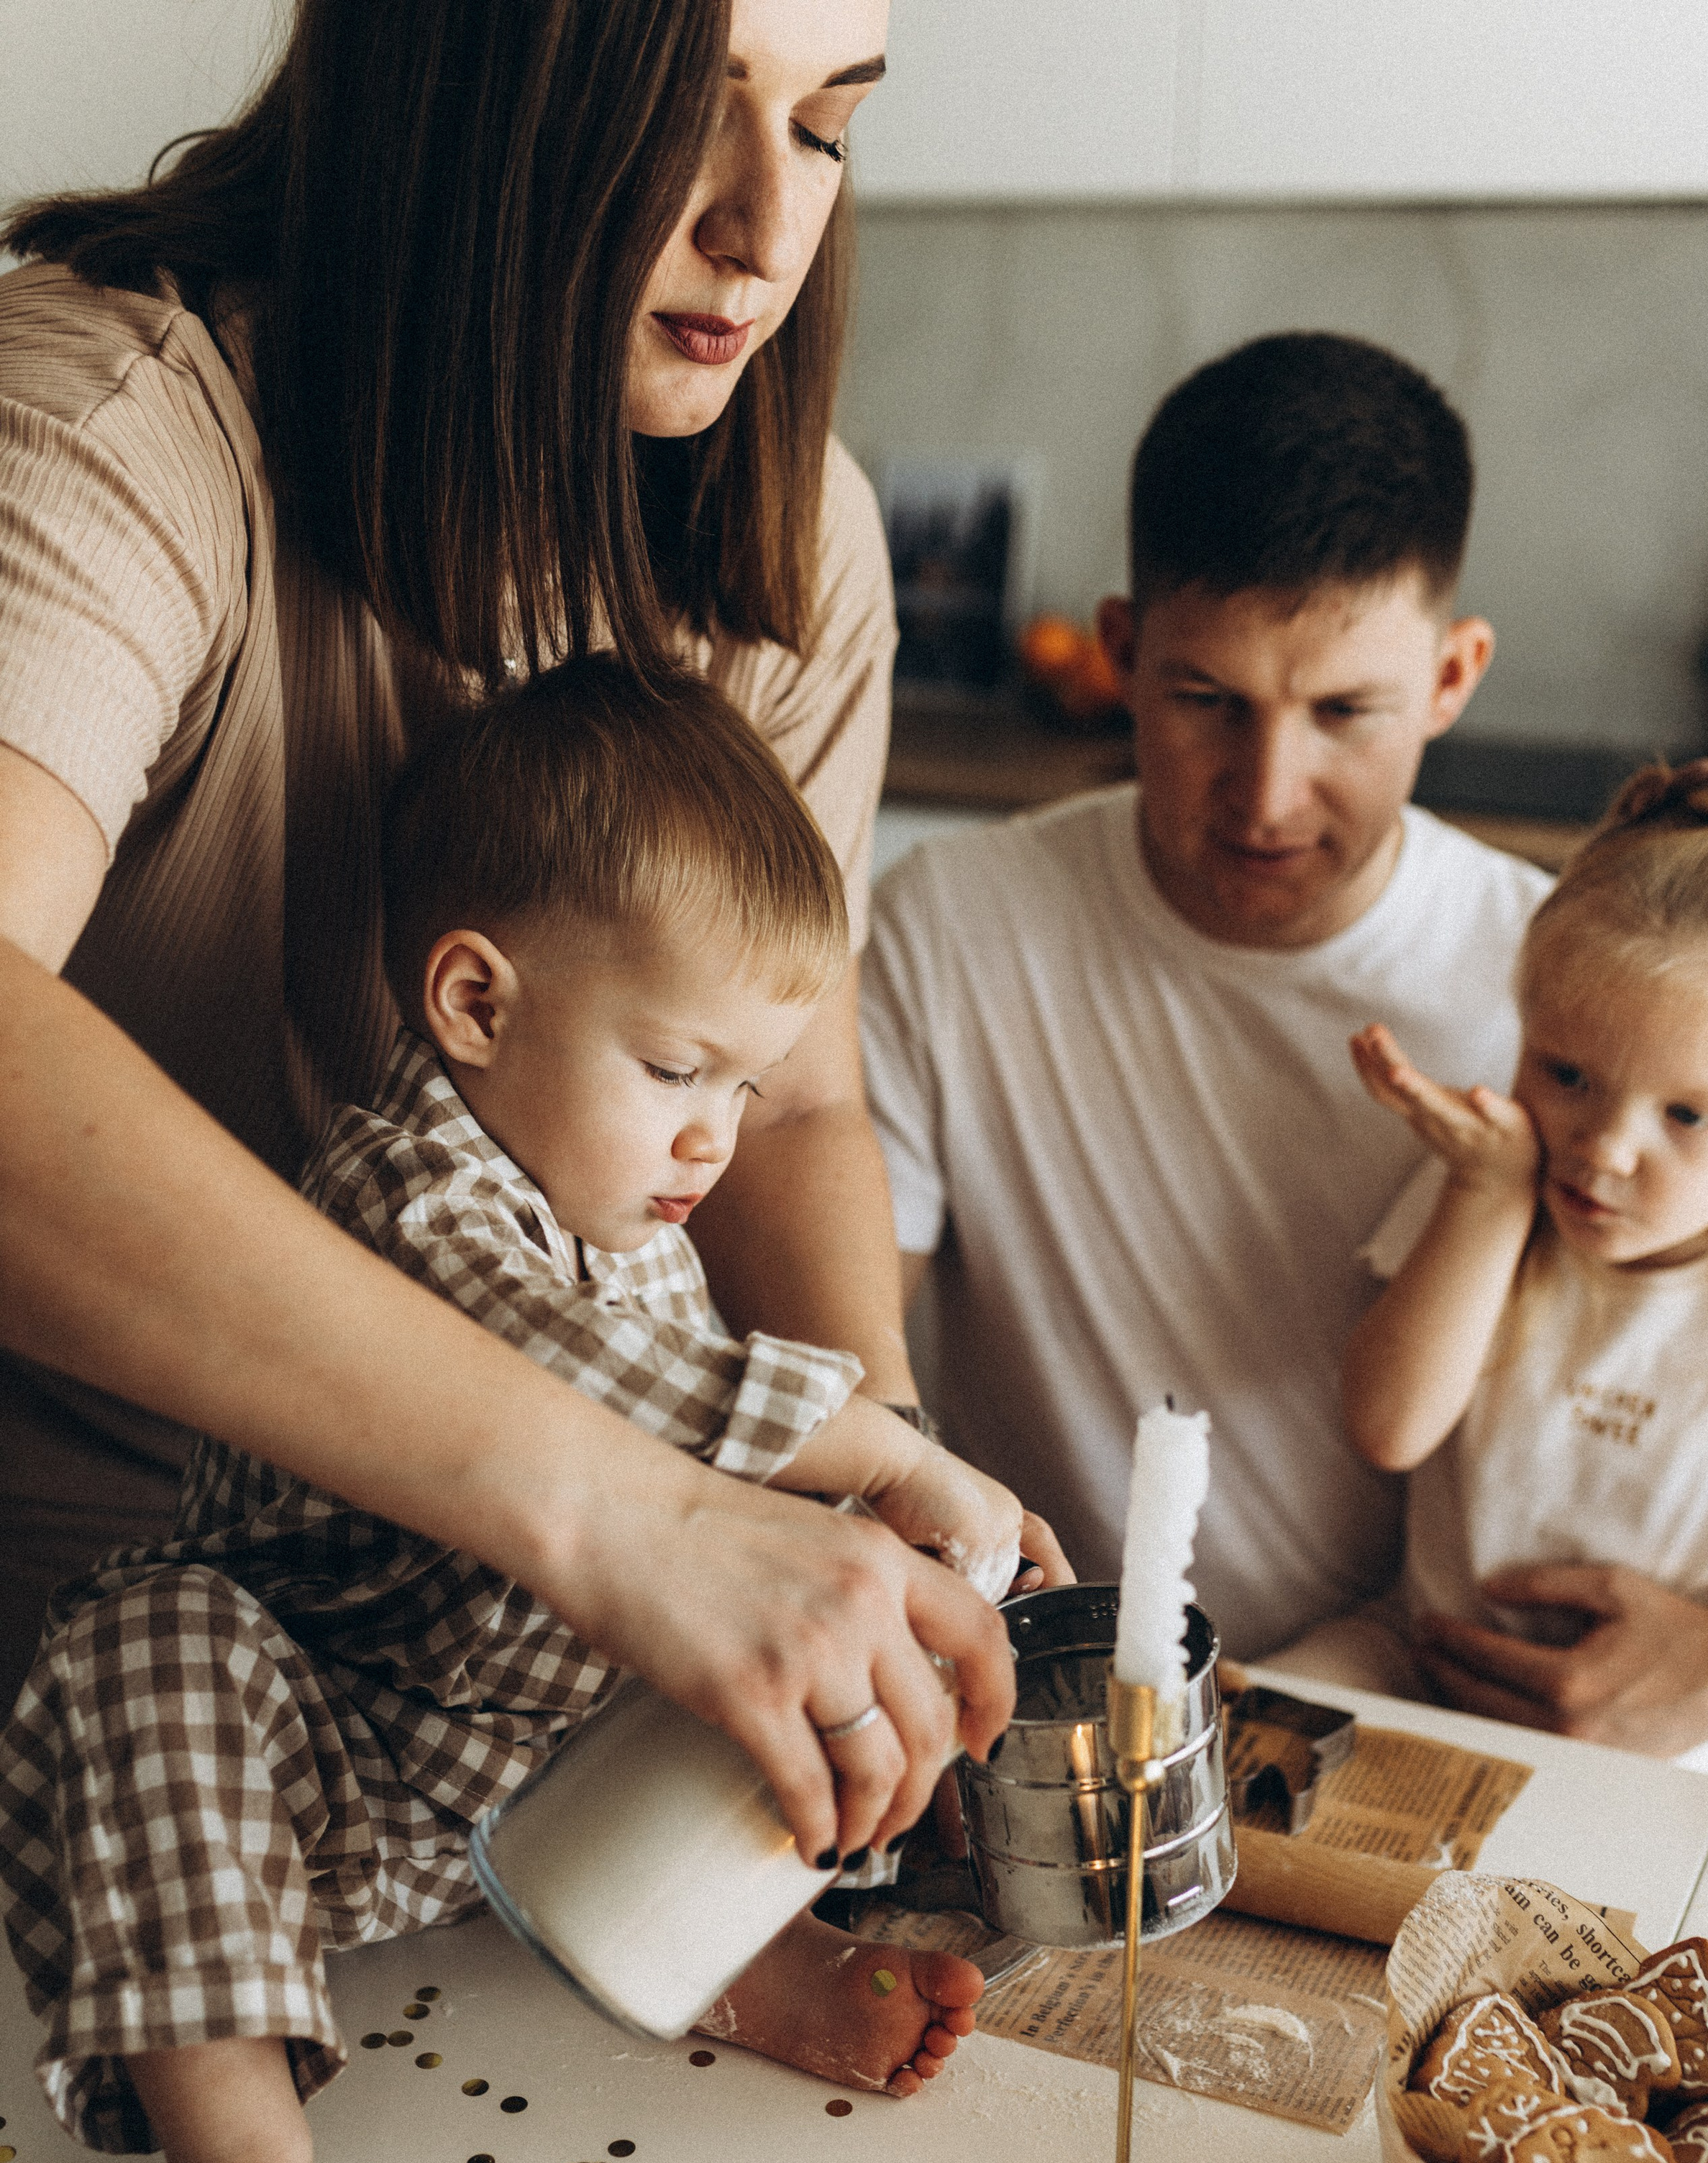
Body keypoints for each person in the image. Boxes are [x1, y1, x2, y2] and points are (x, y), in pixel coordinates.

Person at [0, 0, 1028, 1887]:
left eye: (825, 129)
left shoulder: (794, 537)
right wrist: (627, 1514)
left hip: (497, 1723)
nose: (764, 230)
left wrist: (876, 1470)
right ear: (456, 81)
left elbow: (792, 1105)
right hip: (91, 1678)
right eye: (683, 114)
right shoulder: (105, 423)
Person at [0, 656, 1051, 2163]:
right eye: (675, 1069)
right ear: (477, 1002)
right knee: (144, 1647)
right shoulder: (411, 1186)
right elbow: (594, 1387)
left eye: (745, 1084)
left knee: (762, 1601)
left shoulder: (636, 1221)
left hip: (510, 1788)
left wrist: (872, 1539)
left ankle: (725, 1953)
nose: (715, 1137)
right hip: (318, 1768)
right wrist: (883, 1450)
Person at [862, 333, 1708, 1754]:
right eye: (1207, 702)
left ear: (1452, 675)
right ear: (1121, 653)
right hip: (1066, 1708)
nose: (1268, 793)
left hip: (1439, 1705)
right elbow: (842, 1351)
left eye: (1343, 714)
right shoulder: (949, 924)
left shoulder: (1577, 1000)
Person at [1332, 762, 1708, 1798]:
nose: (1602, 1148)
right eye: (1565, 1073)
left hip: (1683, 1729)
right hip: (1425, 1659)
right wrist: (1484, 1195)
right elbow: (1389, 1428)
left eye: (1686, 1116)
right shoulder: (1492, 1183)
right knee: (1237, 1733)